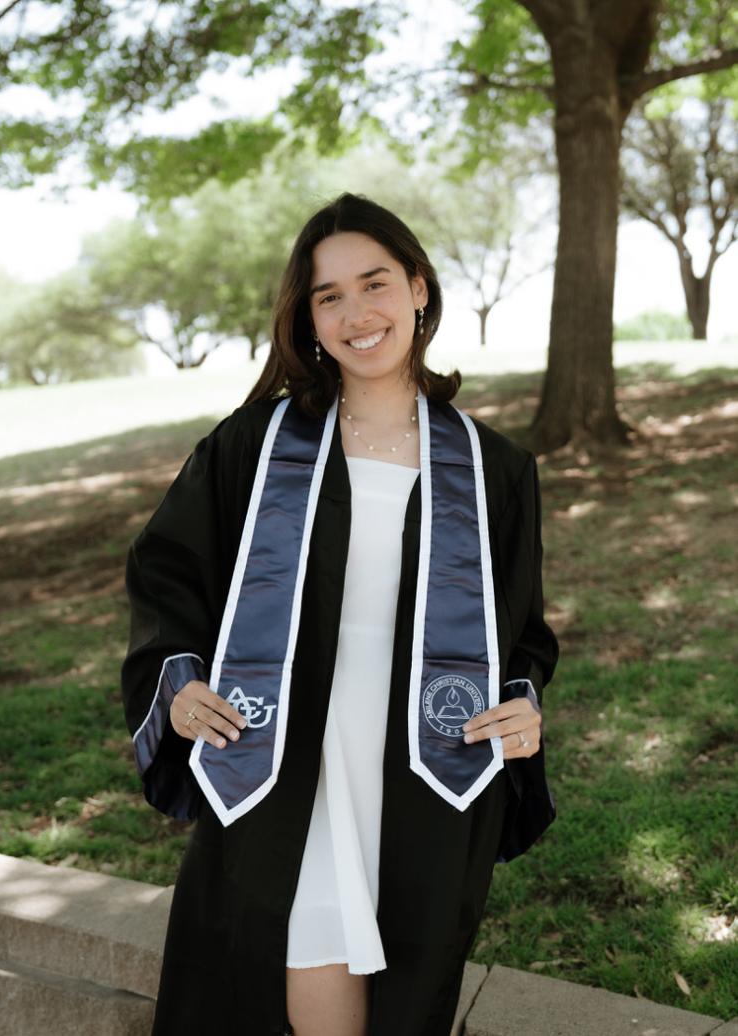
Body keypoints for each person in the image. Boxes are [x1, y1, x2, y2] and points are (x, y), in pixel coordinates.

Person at [121, 191, 559, 1036]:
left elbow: (522, 634)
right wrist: (177, 681)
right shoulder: (253, 448)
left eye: (376, 283)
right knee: (292, 954)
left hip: (422, 770)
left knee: (401, 986)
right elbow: (165, 575)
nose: (357, 313)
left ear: (420, 289)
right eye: (330, 296)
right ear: (307, 315)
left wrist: (523, 702)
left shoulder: (492, 467)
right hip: (284, 760)